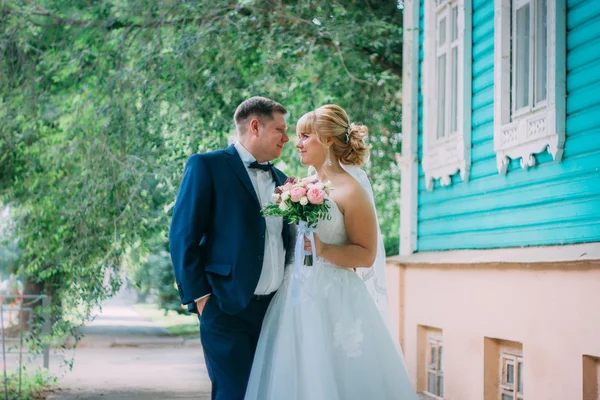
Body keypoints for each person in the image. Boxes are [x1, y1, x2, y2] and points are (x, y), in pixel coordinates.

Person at [245, 104, 419, 400]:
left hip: (336, 300)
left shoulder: (351, 191)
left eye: (304, 136)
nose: (296, 143)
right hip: (293, 296)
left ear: (327, 140)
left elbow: (365, 254)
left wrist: (323, 249)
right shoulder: (300, 187)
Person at [169, 96, 292, 400]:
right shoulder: (207, 166)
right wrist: (201, 298)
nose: (287, 138)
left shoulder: (283, 181)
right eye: (280, 129)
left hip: (273, 312)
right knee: (234, 394)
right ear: (255, 126)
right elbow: (183, 236)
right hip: (225, 308)